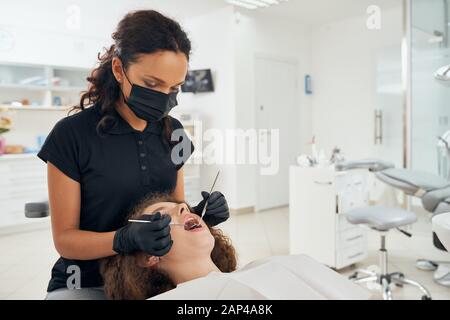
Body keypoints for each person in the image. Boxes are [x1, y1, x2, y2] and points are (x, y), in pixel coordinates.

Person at [39, 10, 229, 300]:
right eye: (152, 84)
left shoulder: (173, 132)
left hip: (155, 277)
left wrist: (197, 214)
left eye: (174, 88)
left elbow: (172, 205)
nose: (165, 97)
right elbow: (66, 240)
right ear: (119, 69)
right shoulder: (71, 136)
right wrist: (122, 239)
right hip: (87, 280)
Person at [100, 194, 371, 300]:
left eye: (182, 206)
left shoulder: (277, 264)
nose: (184, 206)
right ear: (147, 256)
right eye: (162, 213)